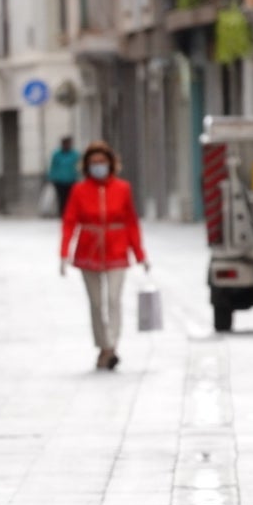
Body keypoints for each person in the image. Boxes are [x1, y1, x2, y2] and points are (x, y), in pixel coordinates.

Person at [60, 140, 148, 370]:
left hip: (117, 250)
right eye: (93, 163)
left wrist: (140, 254)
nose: (98, 166)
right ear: (87, 166)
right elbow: (70, 221)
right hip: (88, 252)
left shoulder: (123, 188)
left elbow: (131, 222)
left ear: (110, 163)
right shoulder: (79, 190)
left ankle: (111, 346)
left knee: (113, 300)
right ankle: (103, 346)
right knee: (97, 303)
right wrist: (64, 253)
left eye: (101, 162)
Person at [48, 136, 81, 217]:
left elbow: (79, 166)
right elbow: (53, 166)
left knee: (71, 198)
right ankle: (62, 214)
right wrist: (51, 177)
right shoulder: (56, 154)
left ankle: (71, 213)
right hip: (59, 181)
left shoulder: (75, 154)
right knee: (61, 198)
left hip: (72, 180)